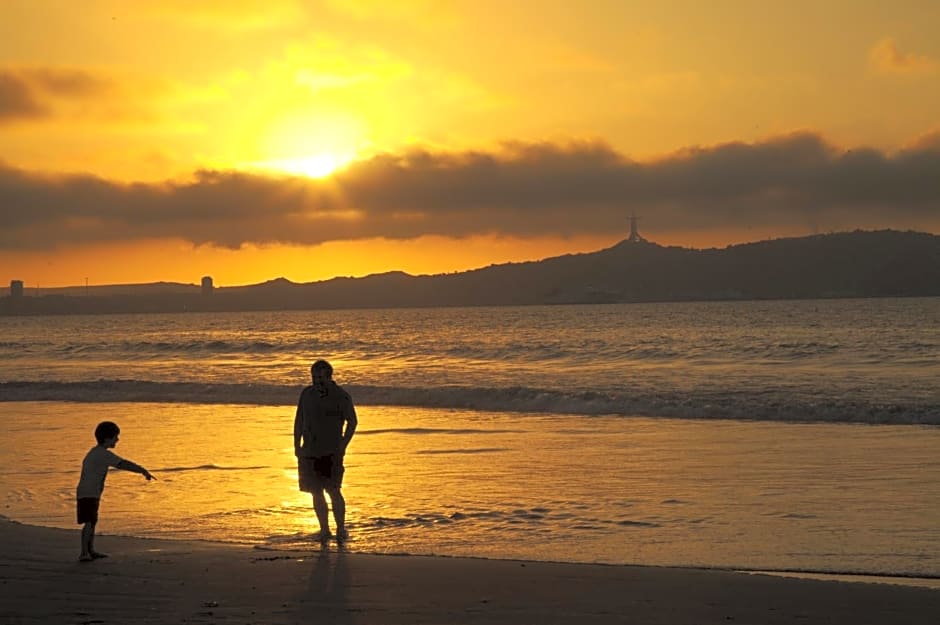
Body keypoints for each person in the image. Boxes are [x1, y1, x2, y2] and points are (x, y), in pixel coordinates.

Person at [294, 359, 358, 543]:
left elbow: (352, 422)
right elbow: (299, 421)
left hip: (332, 452)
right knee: (315, 492)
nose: (316, 381)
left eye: (320, 377)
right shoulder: (306, 394)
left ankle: (340, 529)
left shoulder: (341, 396)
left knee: (333, 491)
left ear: (329, 377)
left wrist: (343, 445)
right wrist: (296, 445)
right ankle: (324, 530)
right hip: (309, 452)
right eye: (314, 377)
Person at [76, 421, 154, 562]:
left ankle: (90, 550)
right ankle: (83, 553)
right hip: (88, 492)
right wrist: (142, 470)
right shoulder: (102, 454)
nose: (117, 440)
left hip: (89, 492)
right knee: (89, 522)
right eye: (115, 437)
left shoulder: (95, 452)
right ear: (107, 438)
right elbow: (123, 464)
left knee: (92, 521)